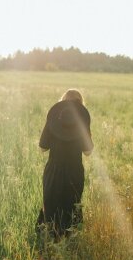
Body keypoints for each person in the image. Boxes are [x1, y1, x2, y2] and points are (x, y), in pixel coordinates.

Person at [37, 89, 93, 239]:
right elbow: (88, 152)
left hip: (53, 170)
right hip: (74, 171)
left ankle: (49, 240)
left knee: (51, 204)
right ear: (80, 106)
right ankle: (69, 240)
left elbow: (42, 148)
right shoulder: (81, 122)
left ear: (62, 102)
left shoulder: (54, 119)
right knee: (72, 205)